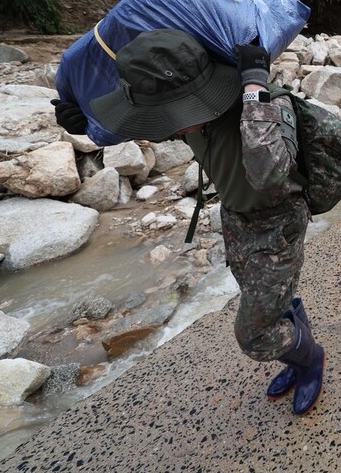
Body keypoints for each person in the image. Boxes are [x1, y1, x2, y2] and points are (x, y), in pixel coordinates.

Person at [59, 29, 326, 416]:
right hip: (236, 217)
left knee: (255, 335)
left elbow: (270, 172)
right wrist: (85, 122)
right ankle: (295, 355)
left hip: (277, 223)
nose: (169, 125)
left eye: (173, 112)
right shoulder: (191, 119)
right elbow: (133, 123)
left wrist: (254, 87)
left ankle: (310, 358)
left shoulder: (268, 106)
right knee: (266, 297)